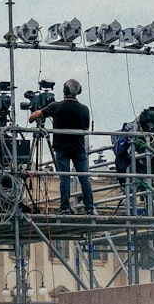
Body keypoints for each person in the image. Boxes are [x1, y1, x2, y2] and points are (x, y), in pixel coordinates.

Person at [28, 78, 95, 215]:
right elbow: (85, 127)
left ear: (64, 90)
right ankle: (90, 207)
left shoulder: (56, 106)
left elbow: (36, 115)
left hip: (62, 148)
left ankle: (65, 207)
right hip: (78, 148)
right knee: (84, 178)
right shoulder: (84, 109)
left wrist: (32, 116)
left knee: (64, 177)